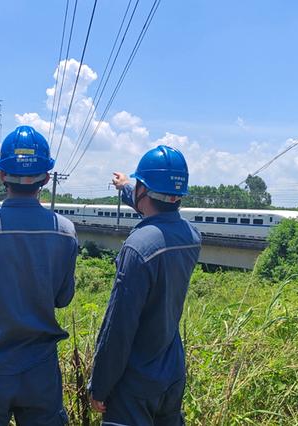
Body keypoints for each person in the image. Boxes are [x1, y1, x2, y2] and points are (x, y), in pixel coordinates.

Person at [0, 125, 77, 426]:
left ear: (1, 174)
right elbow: (63, 299)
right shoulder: (65, 231)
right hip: (40, 367)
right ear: (46, 179)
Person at [88, 145, 201, 425]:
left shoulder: (138, 248)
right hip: (171, 373)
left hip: (135, 384)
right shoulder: (191, 237)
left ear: (145, 191)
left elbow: (119, 327)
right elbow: (158, 213)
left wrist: (100, 385)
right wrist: (126, 186)